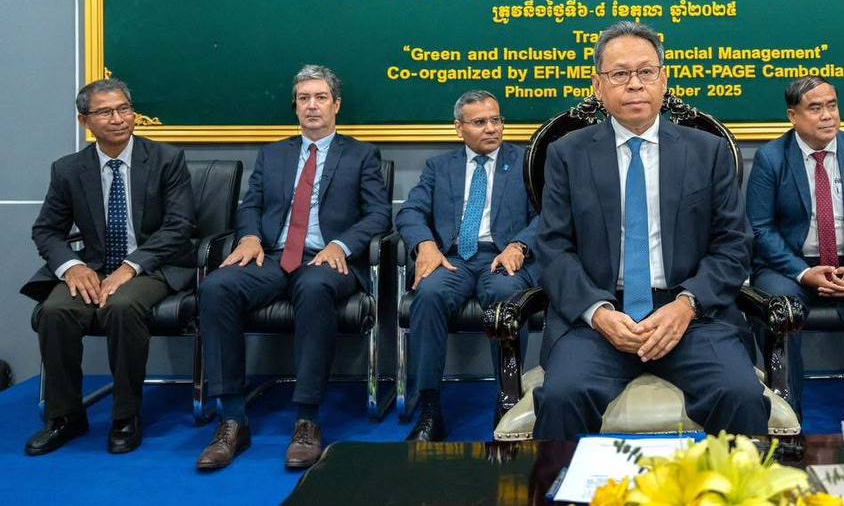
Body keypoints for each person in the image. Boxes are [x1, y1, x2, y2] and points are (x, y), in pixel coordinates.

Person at [533, 21, 769, 439]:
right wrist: (598, 313)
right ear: (597, 85)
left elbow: (733, 245)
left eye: (645, 71)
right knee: (562, 397)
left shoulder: (708, 151)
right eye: (619, 74)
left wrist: (687, 305)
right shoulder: (567, 154)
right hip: (599, 316)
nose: (634, 84)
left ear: (664, 79)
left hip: (691, 315)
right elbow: (553, 249)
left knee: (741, 395)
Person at [195, 65, 390, 470]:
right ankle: (232, 419)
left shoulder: (361, 155)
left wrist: (340, 244)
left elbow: (378, 215)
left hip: (326, 258)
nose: (312, 106)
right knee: (216, 287)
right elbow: (251, 206)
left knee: (315, 287)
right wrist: (249, 237)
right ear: (296, 106)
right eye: (304, 98)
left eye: (320, 97)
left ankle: (307, 420)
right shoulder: (273, 154)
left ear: (336, 105)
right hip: (272, 256)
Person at [22, 78, 196, 456]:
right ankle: (65, 417)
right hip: (94, 266)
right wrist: (71, 266)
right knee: (55, 311)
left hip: (152, 266)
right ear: (85, 121)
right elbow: (46, 230)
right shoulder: (69, 169)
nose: (118, 119)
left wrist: (131, 266)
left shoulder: (166, 160)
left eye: (124, 109)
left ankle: (125, 416)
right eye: (105, 112)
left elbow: (179, 227)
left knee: (121, 306)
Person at [745, 76, 844, 433]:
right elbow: (761, 228)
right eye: (815, 108)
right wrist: (803, 273)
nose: (827, 115)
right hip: (789, 266)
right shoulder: (771, 158)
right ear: (793, 116)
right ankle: (788, 409)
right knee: (778, 305)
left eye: (832, 105)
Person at [397, 90, 538, 441]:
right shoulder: (439, 166)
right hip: (453, 257)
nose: (492, 128)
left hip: (501, 256)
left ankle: (508, 402)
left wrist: (520, 245)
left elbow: (548, 215)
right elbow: (410, 211)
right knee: (428, 294)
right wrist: (425, 245)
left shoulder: (525, 162)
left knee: (506, 296)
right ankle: (430, 409)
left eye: (496, 120)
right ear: (459, 128)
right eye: (480, 122)